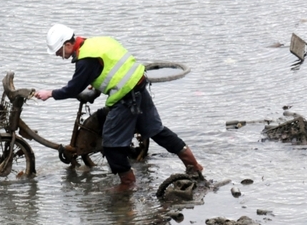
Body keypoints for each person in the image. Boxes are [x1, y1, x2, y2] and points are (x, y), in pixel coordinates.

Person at [35, 24, 203, 192]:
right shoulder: (97, 42)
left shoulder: (85, 60)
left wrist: (50, 93)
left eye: (58, 52)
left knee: (111, 145)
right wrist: (96, 81)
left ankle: (127, 183)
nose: (59, 56)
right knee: (157, 131)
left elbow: (73, 88)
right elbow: (112, 65)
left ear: (68, 45)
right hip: (138, 85)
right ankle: (194, 166)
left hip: (126, 97)